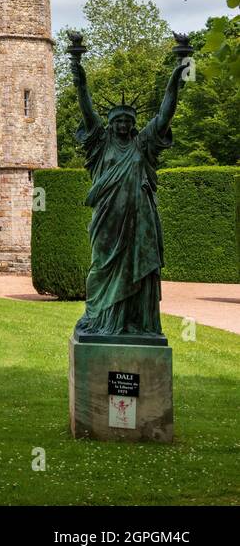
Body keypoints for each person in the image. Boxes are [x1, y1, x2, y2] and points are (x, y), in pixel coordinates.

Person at [70, 43, 189, 338]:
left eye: (128, 120)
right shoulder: (100, 143)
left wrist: (178, 72)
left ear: (134, 124)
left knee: (141, 268)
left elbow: (166, 112)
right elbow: (86, 108)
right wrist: (78, 71)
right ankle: (99, 319)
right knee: (100, 266)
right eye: (118, 120)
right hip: (107, 219)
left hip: (140, 219)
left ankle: (135, 322)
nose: (123, 124)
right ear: (109, 124)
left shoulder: (143, 143)